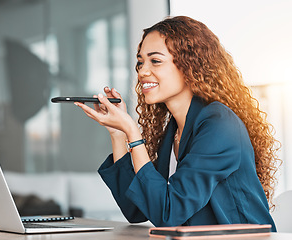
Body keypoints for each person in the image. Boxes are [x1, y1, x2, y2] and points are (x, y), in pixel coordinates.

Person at [74, 16, 280, 231]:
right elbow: (135, 209)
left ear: (190, 65)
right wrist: (118, 133)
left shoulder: (219, 125)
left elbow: (169, 213)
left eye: (155, 61)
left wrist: (132, 133)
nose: (143, 71)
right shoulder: (174, 130)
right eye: (140, 62)